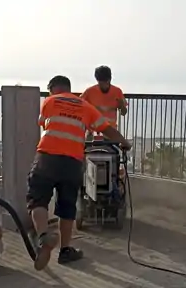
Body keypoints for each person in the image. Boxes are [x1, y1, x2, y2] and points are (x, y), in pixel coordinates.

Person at [28, 75, 131, 271]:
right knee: (67, 206)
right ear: (69, 88)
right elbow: (107, 129)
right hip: (73, 161)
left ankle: (43, 238)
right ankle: (65, 250)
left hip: (47, 158)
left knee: (37, 199)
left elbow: (43, 124)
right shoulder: (84, 105)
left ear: (52, 89)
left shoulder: (49, 101)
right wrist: (125, 143)